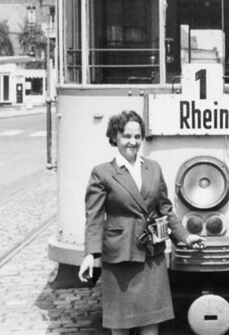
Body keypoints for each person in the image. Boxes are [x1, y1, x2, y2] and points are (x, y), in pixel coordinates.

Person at [78, 110, 205, 335]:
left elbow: (165, 209)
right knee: (120, 324)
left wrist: (184, 236)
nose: (133, 142)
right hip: (120, 256)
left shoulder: (153, 167)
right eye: (127, 136)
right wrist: (90, 254)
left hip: (151, 255)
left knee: (150, 323)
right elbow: (94, 217)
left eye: (137, 137)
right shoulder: (102, 173)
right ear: (114, 137)